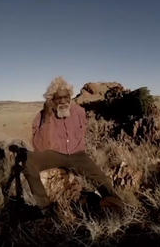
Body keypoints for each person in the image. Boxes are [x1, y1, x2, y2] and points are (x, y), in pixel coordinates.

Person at [23, 76, 124, 212]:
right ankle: (45, 207)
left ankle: (114, 204)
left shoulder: (79, 112)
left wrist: (76, 149)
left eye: (66, 97)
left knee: (100, 177)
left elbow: (82, 133)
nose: (64, 101)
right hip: (55, 154)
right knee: (28, 161)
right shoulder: (42, 115)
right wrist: (47, 116)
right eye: (59, 98)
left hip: (78, 154)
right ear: (52, 99)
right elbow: (39, 146)